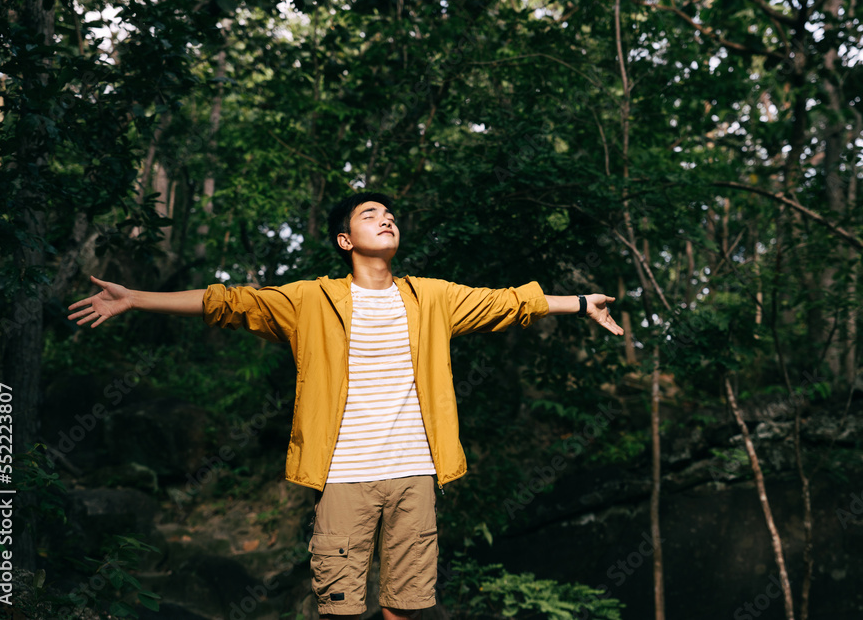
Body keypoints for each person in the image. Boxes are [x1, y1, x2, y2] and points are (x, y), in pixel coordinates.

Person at [69, 192, 622, 619]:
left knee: (405, 604)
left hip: (415, 474)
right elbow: (229, 302)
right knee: (339, 605)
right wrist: (135, 298)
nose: (386, 219)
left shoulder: (431, 297)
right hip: (343, 477)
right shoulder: (310, 300)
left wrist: (578, 302)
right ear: (345, 240)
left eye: (390, 215)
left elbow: (507, 303)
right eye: (370, 214)